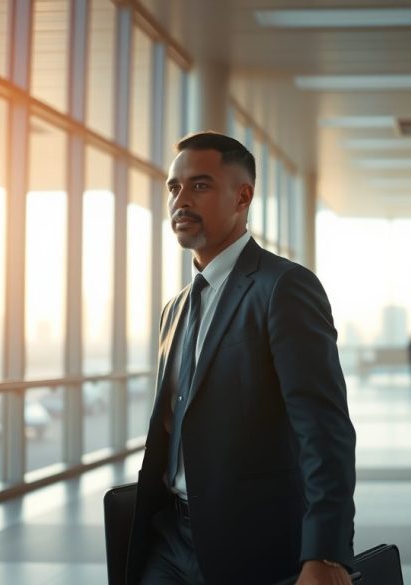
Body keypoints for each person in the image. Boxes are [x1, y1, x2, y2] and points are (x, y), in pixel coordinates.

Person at [125, 131, 356, 585]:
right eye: (174, 187)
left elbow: (323, 427)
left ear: (242, 196)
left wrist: (326, 552)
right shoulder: (174, 310)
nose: (181, 199)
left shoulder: (283, 287)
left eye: (201, 185)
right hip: (169, 540)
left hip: (252, 541)